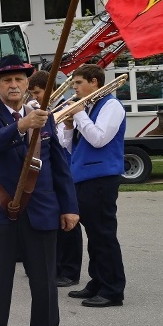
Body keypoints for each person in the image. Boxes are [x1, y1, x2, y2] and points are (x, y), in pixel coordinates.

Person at [0, 55, 77, 326]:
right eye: (7, 80)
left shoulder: (45, 116)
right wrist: (21, 126)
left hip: (42, 210)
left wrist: (69, 206)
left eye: (19, 79)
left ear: (27, 84)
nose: (13, 85)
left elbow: (59, 164)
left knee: (45, 283)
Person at [57, 63, 127, 307]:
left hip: (101, 177)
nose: (74, 88)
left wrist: (78, 114)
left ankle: (112, 290)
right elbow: (70, 147)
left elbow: (99, 139)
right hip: (83, 177)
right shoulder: (89, 107)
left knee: (103, 235)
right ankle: (97, 282)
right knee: (94, 235)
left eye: (78, 83)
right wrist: (69, 127)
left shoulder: (111, 105)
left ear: (94, 82)